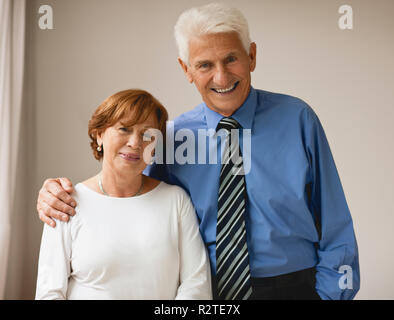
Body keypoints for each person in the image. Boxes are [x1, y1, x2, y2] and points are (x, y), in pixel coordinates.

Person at [36, 3, 360, 300]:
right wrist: (54, 195)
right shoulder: (171, 138)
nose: (221, 76)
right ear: (186, 69)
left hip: (292, 287)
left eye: (231, 58)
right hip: (207, 291)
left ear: (252, 56)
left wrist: (328, 296)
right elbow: (134, 199)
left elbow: (335, 223)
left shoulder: (297, 118)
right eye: (205, 64)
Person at [35, 89, 212, 299]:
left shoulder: (176, 200)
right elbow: (49, 292)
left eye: (148, 135)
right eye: (124, 129)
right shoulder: (65, 203)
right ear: (99, 135)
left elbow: (196, 284)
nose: (135, 143)